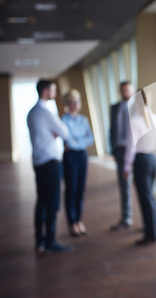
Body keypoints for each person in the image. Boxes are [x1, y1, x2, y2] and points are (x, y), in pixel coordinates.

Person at [27, 80, 74, 254]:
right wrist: (56, 133)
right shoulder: (46, 112)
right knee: (53, 202)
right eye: (53, 89)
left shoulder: (31, 112)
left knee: (41, 201)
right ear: (46, 91)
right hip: (50, 161)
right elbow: (65, 132)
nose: (55, 92)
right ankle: (50, 241)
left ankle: (40, 240)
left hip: (38, 161)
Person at [124, 90, 156, 245]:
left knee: (144, 198)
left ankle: (151, 233)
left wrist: (126, 167)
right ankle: (154, 230)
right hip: (152, 158)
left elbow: (130, 147)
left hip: (141, 160)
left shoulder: (135, 120)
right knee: (149, 197)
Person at [61, 89, 94, 237]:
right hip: (70, 157)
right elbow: (68, 142)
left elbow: (90, 139)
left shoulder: (83, 119)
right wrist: (78, 141)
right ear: (67, 104)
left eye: (77, 101)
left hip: (81, 155)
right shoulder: (64, 120)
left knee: (80, 190)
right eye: (72, 102)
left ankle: (79, 220)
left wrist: (76, 141)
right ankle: (72, 222)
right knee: (71, 190)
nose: (75, 104)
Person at [109, 81, 135, 231]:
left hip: (134, 151)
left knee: (140, 186)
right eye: (123, 90)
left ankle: (149, 221)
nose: (126, 93)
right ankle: (126, 216)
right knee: (124, 184)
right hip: (119, 149)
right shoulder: (114, 107)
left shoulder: (137, 108)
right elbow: (111, 129)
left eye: (128, 90)